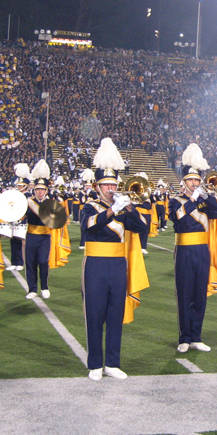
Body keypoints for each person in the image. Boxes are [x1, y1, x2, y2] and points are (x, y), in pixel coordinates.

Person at [81, 138, 148, 380]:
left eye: (113, 184)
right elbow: (90, 227)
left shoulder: (123, 207)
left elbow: (142, 228)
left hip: (119, 265)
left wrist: (130, 209)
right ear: (97, 187)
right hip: (96, 265)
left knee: (114, 314)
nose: (111, 189)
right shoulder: (89, 206)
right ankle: (95, 364)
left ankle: (112, 363)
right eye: (106, 185)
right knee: (95, 314)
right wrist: (113, 210)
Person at [169, 143, 217, 352]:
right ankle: (184, 338)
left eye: (196, 180)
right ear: (183, 182)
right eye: (191, 180)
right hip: (184, 251)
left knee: (199, 294)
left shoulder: (205, 201)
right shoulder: (176, 200)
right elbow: (178, 219)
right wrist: (193, 199)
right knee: (185, 294)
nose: (195, 183)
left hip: (202, 251)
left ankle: (196, 336)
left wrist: (212, 195)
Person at [24, 160, 53, 300]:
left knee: (43, 261)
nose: (40, 192)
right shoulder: (28, 202)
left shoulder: (51, 203)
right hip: (31, 235)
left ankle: (44, 286)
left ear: (46, 191)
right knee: (30, 262)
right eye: (38, 189)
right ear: (34, 190)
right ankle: (32, 288)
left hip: (45, 236)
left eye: (42, 189)